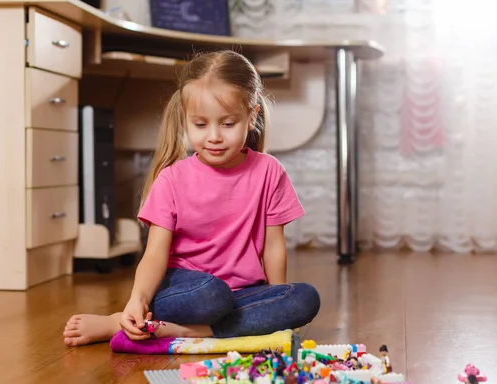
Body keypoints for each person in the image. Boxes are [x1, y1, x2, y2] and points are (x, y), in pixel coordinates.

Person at [63, 50, 321, 346]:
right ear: (185, 120)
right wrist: (138, 298)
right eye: (200, 125)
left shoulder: (270, 172)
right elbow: (155, 254)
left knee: (304, 298)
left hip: (245, 292)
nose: (214, 136)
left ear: (251, 117)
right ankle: (121, 319)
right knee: (214, 296)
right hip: (191, 291)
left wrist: (277, 305)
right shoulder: (172, 179)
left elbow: (274, 246)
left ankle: (193, 332)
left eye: (227, 123)